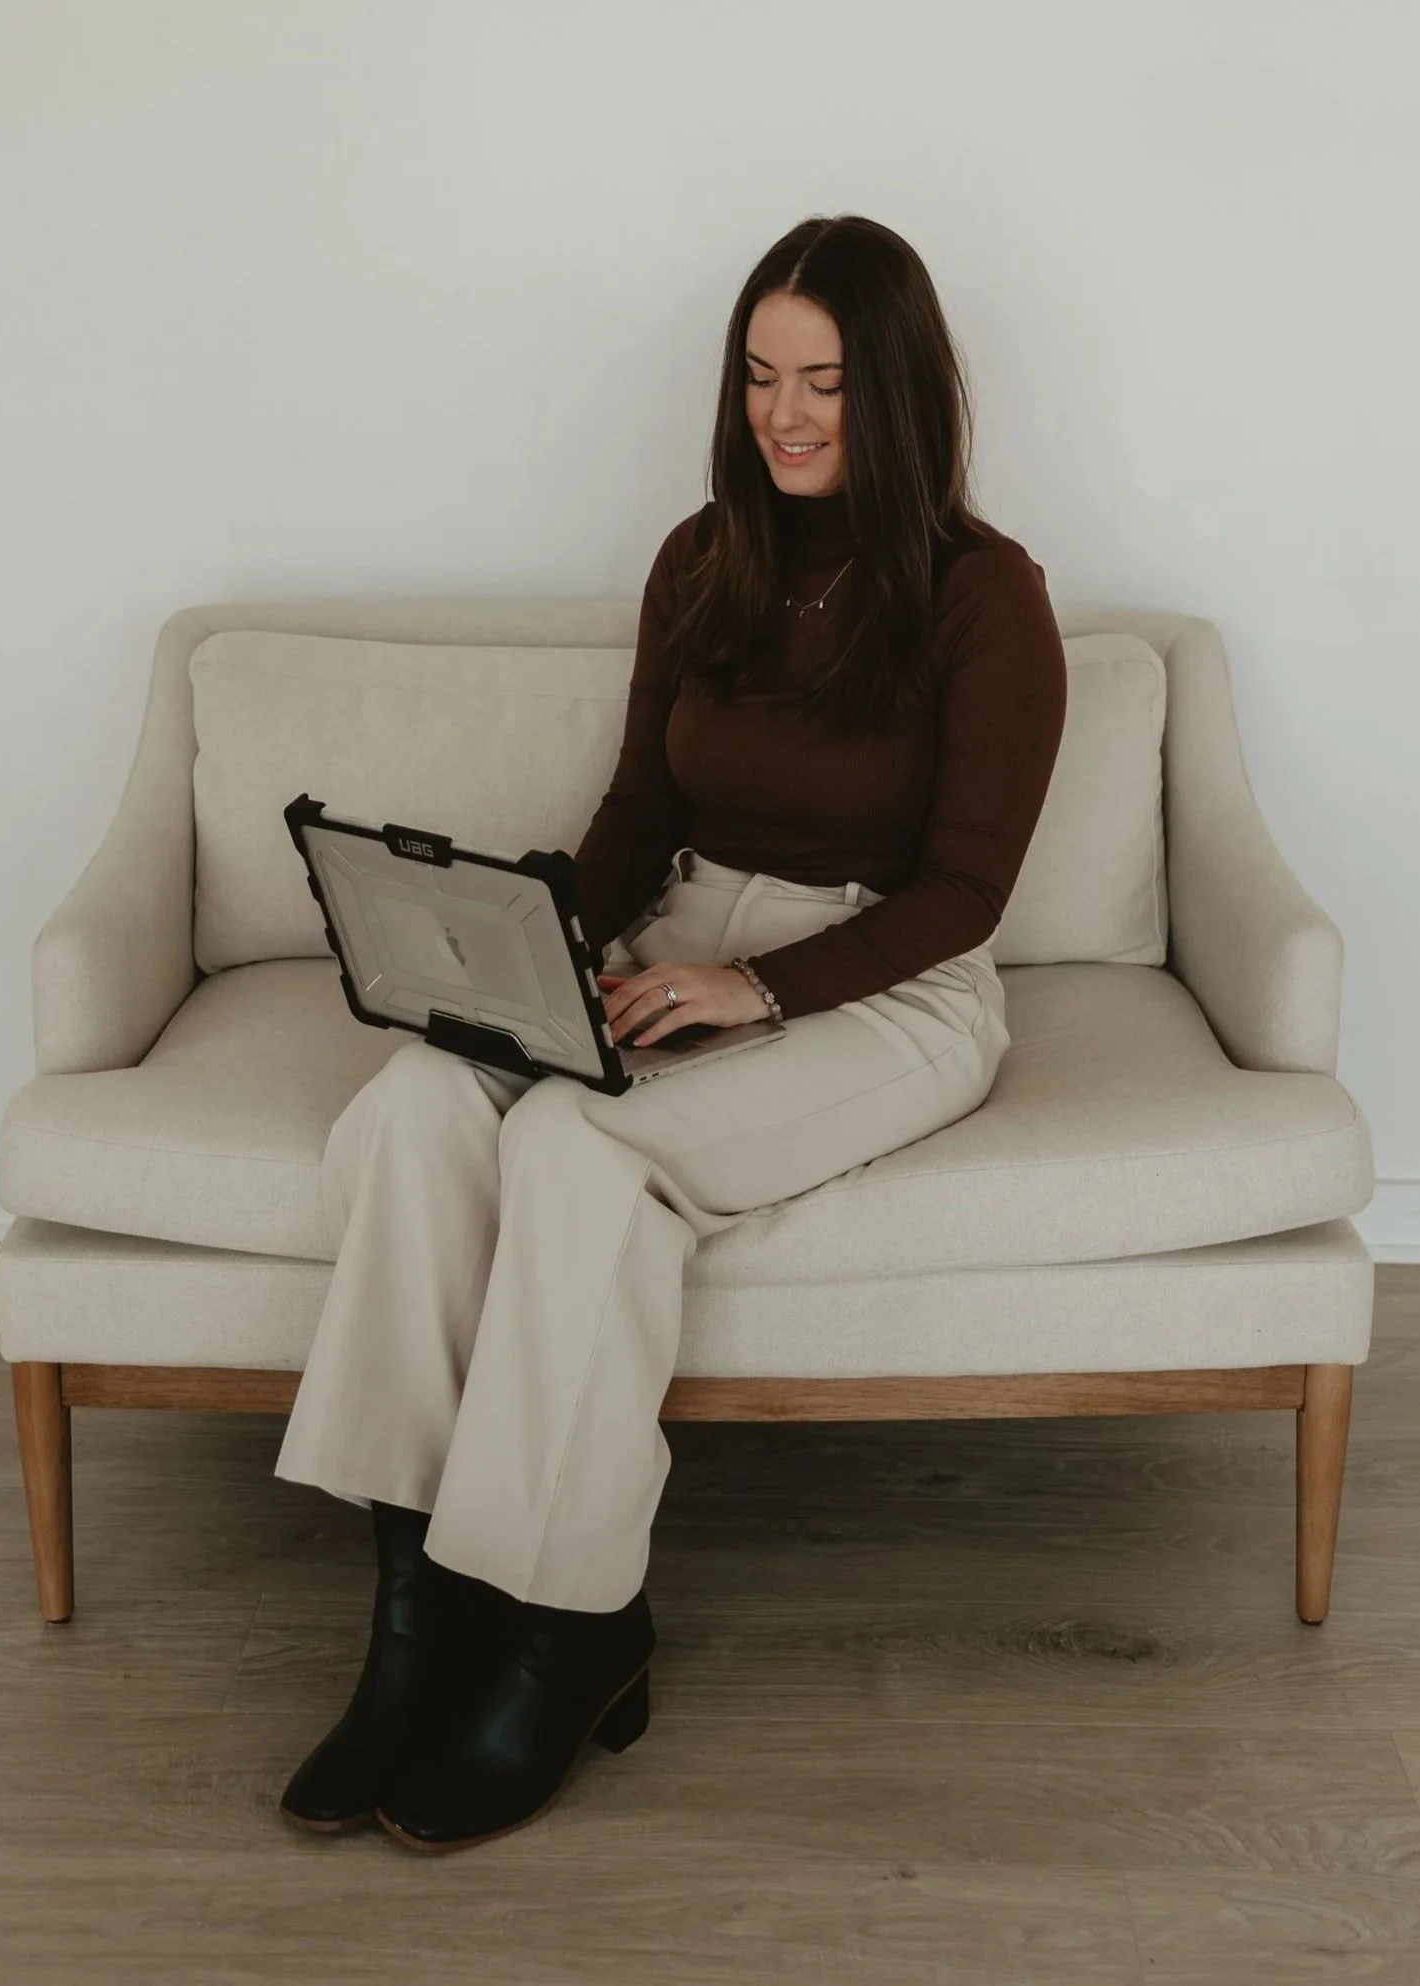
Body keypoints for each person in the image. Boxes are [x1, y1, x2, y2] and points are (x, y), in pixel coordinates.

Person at [273, 212, 1068, 1854]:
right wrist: (533, 941)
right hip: (675, 932)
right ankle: (419, 1610)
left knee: (578, 1146)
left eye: (826, 383)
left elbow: (969, 890)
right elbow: (641, 809)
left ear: (897, 390)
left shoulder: (990, 599)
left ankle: (571, 1627)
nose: (785, 414)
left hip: (889, 985)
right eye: (763, 375)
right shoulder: (705, 554)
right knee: (422, 1106)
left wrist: (757, 990)